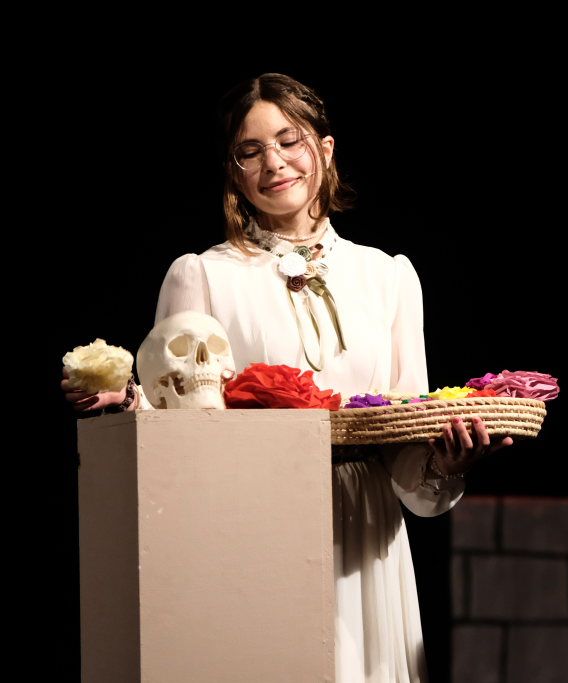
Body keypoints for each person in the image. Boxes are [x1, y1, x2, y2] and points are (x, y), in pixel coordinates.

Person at [62, 72, 512, 682]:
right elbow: (181, 432)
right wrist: (129, 405)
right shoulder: (203, 275)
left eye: (288, 140)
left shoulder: (389, 277)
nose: (273, 162)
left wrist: (443, 465)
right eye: (249, 151)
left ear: (324, 148)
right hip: (256, 525)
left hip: (366, 533)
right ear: (234, 172)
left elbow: (405, 447)